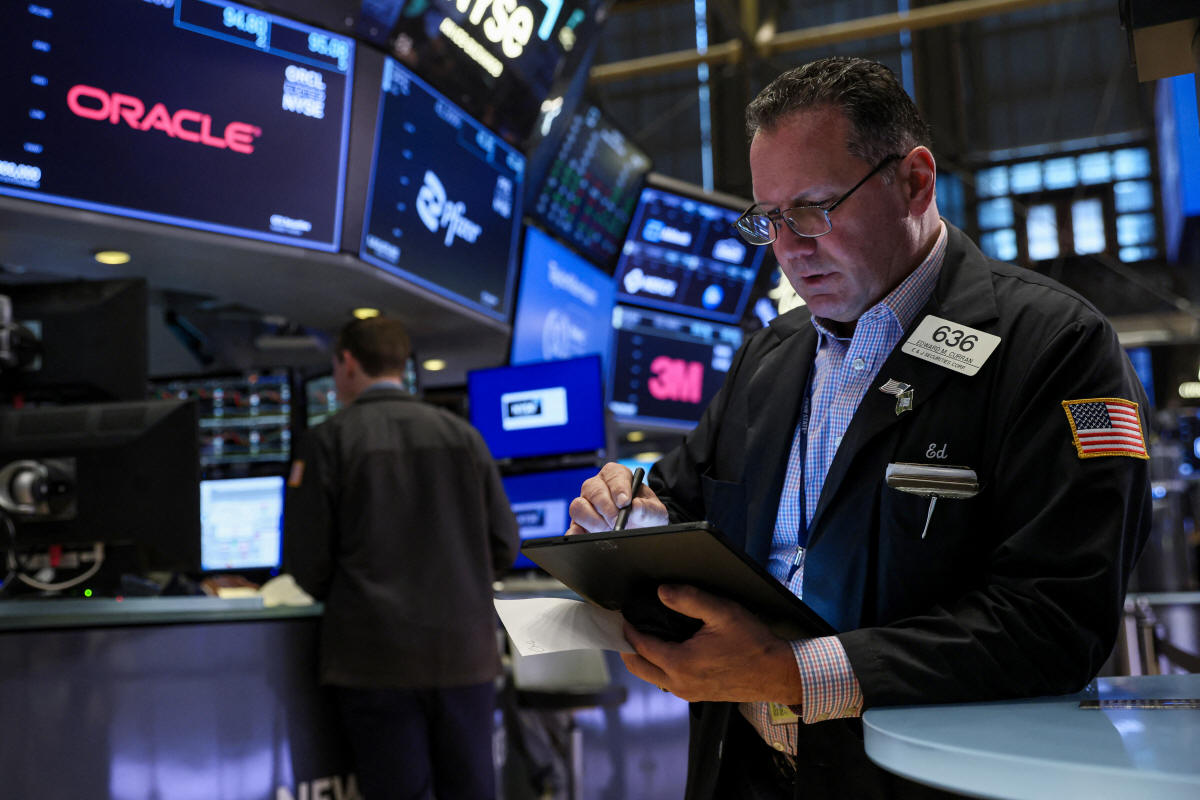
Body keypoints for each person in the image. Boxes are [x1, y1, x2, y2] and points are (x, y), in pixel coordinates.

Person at [568, 57, 1151, 799]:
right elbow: (682, 506)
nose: (790, 247)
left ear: (915, 182)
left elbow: (1055, 622)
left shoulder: (1055, 347)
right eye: (770, 219)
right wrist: (628, 513)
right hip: (744, 772)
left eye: (815, 208)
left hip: (920, 782)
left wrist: (792, 674)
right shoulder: (769, 356)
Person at [284, 316, 519, 800]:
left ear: (348, 362)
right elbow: (504, 543)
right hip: (465, 657)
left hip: (375, 659)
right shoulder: (464, 437)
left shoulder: (327, 440)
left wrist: (353, 596)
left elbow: (306, 561)